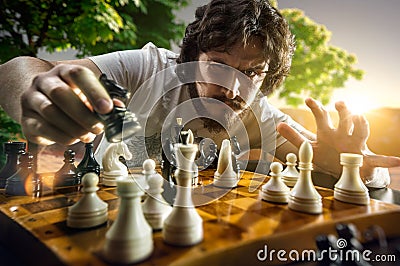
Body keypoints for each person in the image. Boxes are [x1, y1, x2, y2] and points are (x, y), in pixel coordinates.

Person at [0, 0, 399, 188]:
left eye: (251, 72)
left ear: (268, 77)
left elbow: (353, 167)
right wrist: (36, 90)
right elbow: (18, 69)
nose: (232, 86)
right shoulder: (149, 67)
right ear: (190, 57)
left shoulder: (261, 116)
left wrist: (351, 164)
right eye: (218, 65)